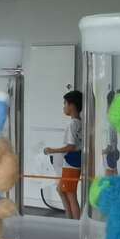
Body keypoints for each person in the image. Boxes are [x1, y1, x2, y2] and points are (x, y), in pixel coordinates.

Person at [44, 91, 83, 219]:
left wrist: (52, 150)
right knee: (61, 190)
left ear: (72, 105)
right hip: (72, 160)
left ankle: (75, 224)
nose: (64, 107)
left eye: (65, 103)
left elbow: (71, 146)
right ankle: (69, 219)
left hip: (72, 161)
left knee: (70, 194)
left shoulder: (72, 124)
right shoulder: (79, 122)